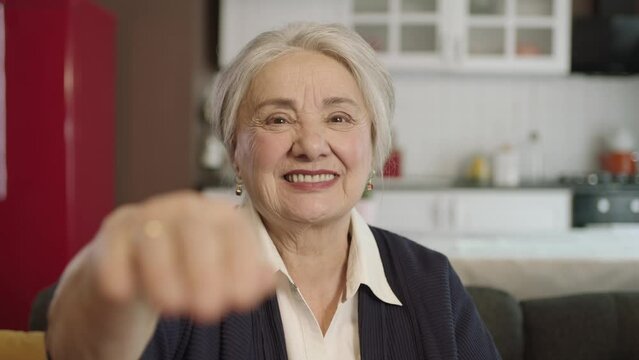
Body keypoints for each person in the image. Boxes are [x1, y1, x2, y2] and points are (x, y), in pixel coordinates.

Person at [46, 23, 501, 360]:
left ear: (374, 147)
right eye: (278, 119)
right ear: (234, 152)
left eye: (339, 118)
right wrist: (114, 261)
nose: (311, 145)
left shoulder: (432, 281)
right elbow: (78, 349)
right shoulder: (185, 275)